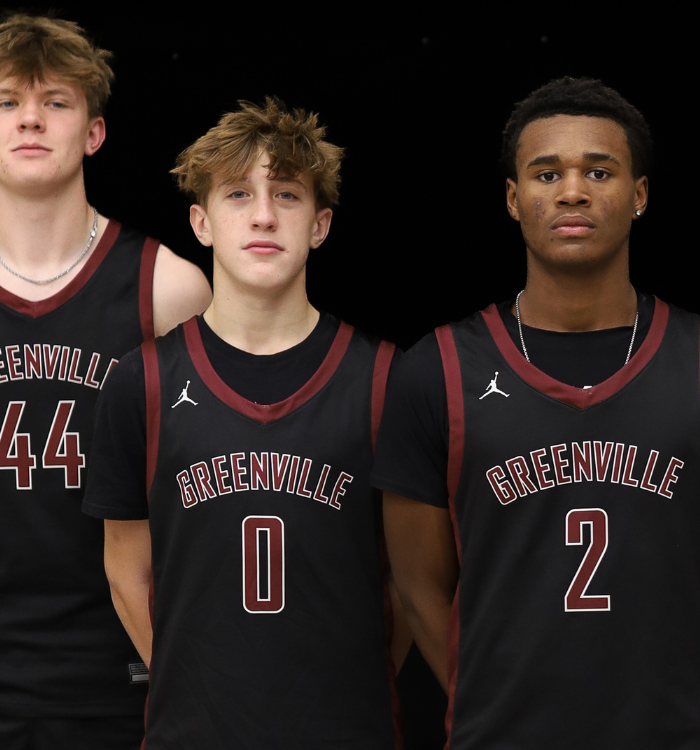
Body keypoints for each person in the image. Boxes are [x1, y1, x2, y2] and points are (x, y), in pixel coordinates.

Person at [375, 76, 700, 748]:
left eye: (599, 170)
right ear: (512, 198)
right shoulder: (435, 371)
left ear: (639, 195)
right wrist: (502, 709)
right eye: (545, 174)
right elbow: (420, 596)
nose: (571, 191)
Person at [82, 99, 402, 748]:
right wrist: (197, 685)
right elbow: (126, 570)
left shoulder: (387, 381)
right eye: (237, 194)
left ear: (320, 224)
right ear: (200, 222)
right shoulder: (138, 382)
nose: (262, 214)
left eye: (287, 194)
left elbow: (413, 583)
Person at [0, 14, 209, 749]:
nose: (29, 117)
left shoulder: (168, 286)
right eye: (6, 102)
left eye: (55, 100)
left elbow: (202, 501)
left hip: (118, 673)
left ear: (93, 132)